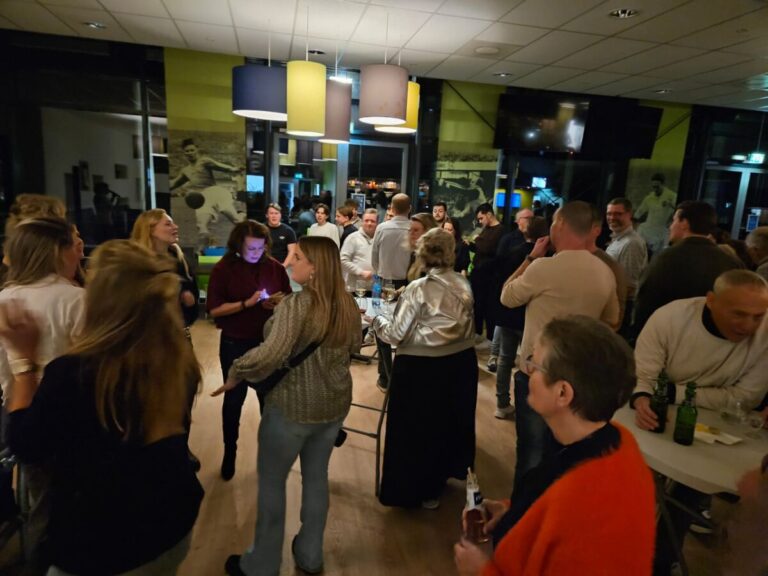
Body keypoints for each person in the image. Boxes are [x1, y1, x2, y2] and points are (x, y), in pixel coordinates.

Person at [0, 239, 204, 576]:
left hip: (101, 542)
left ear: (101, 299)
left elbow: (27, 445)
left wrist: (25, 363)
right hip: (173, 521)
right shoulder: (177, 359)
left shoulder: (75, 372)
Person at [454, 316, 656, 576]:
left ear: (563, 393)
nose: (527, 370)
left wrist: (481, 571)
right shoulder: (607, 440)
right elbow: (550, 511)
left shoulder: (590, 503)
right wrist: (514, 512)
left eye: (534, 364)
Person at [213, 236, 360, 576]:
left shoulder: (297, 305)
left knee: (272, 483)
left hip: (292, 408)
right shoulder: (348, 304)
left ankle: (262, 564)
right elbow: (353, 345)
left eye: (298, 257)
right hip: (333, 407)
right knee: (316, 478)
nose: (289, 262)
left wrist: (237, 370)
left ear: (316, 267)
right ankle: (310, 555)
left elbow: (271, 354)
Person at [631, 270, 768, 575]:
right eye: (739, 314)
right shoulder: (670, 319)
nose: (749, 325)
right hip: (660, 420)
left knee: (685, 496)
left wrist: (672, 392)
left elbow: (745, 397)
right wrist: (643, 397)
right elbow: (645, 378)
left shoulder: (765, 335)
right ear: (711, 301)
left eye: (758, 316)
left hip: (720, 432)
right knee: (635, 486)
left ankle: (661, 562)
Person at [501, 201, 619, 487]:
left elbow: (507, 296)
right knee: (566, 453)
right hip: (578, 377)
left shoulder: (543, 267)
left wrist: (530, 258)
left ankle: (525, 509)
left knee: (531, 452)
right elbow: (612, 321)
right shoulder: (604, 271)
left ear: (561, 224)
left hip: (537, 372)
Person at [0, 217, 85, 570]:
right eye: (74, 243)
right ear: (56, 251)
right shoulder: (76, 299)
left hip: (19, 413)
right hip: (73, 421)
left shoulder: (4, 298)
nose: (80, 250)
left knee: (39, 503)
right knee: (72, 502)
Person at [373, 228, 477, 509]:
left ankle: (412, 491)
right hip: (460, 363)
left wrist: (376, 320)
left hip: (422, 368)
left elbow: (395, 334)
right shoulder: (462, 282)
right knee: (444, 426)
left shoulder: (419, 288)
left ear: (421, 253)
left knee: (415, 431)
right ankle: (437, 481)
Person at [207, 220, 291, 480]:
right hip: (235, 342)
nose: (256, 253)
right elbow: (214, 309)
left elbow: (288, 299)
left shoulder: (274, 267)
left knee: (270, 400)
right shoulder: (224, 269)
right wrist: (247, 303)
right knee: (234, 399)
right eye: (250, 249)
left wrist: (275, 303)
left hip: (267, 342)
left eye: (260, 248)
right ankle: (229, 452)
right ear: (238, 246)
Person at [633, 200, 743, 336]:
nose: (670, 226)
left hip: (670, 336)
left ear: (684, 223)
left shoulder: (666, 258)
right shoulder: (731, 261)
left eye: (674, 220)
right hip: (715, 338)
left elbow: (645, 302)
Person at [488, 216, 548, 419]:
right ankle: (530, 409)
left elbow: (502, 283)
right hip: (529, 317)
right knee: (531, 363)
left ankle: (502, 403)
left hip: (508, 314)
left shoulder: (512, 253)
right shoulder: (546, 260)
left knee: (505, 360)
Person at [130, 209, 199, 332]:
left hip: (177, 332)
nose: (175, 227)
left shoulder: (180, 259)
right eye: (168, 224)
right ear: (150, 230)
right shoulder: (136, 263)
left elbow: (192, 300)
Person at [170, 138, 245, 239]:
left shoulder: (204, 161)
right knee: (201, 227)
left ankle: (242, 214)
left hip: (215, 192)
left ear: (197, 150)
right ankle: (206, 245)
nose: (190, 153)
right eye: (187, 151)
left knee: (237, 221)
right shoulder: (185, 171)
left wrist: (233, 169)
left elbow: (220, 166)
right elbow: (174, 183)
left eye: (192, 150)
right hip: (202, 198)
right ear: (184, 153)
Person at [605, 197, 648, 333]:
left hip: (621, 309)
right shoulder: (618, 240)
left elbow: (629, 285)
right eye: (609, 213)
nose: (612, 218)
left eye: (618, 214)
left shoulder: (631, 243)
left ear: (629, 215)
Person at [469, 203, 507, 344]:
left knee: (487, 308)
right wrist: (472, 245)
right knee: (477, 306)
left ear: (489, 214)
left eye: (481, 218)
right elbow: (481, 248)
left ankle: (489, 339)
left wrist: (477, 240)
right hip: (478, 272)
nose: (480, 221)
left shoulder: (500, 230)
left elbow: (488, 248)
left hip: (489, 276)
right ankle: (478, 334)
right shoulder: (486, 230)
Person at [371, 193, 411, 289]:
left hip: (383, 280)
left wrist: (377, 274)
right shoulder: (414, 229)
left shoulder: (381, 228)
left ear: (392, 208)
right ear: (410, 208)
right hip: (408, 282)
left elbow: (374, 256)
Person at [635, 172, 677, 256]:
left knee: (660, 254)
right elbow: (640, 211)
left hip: (663, 229)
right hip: (649, 227)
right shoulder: (649, 198)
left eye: (657, 187)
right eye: (653, 187)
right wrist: (633, 219)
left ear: (663, 184)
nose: (655, 189)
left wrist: (670, 204)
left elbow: (679, 209)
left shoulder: (672, 196)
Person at [340, 208, 377, 286]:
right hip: (355, 287)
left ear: (377, 223)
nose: (369, 223)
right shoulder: (352, 238)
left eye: (372, 221)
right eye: (366, 220)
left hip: (374, 288)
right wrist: (360, 272)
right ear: (362, 222)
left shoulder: (379, 239)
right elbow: (342, 260)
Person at [406, 213, 438, 282]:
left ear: (428, 233)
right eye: (410, 230)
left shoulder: (432, 258)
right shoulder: (414, 254)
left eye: (416, 230)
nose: (411, 233)